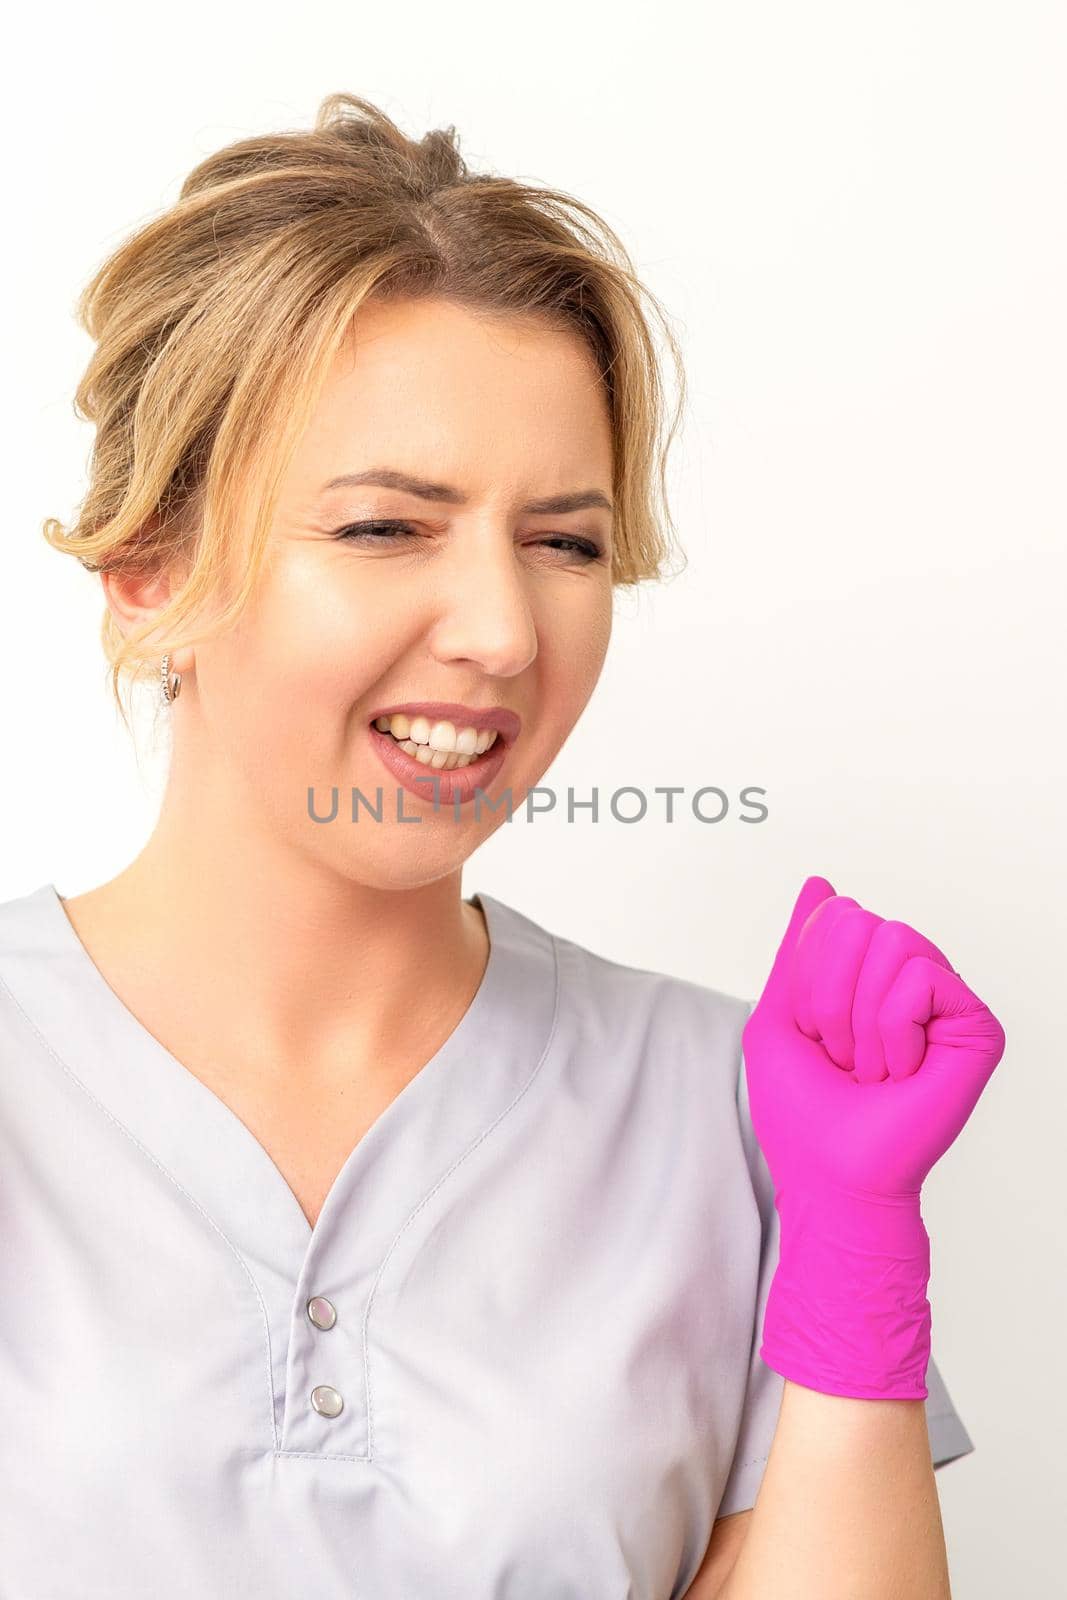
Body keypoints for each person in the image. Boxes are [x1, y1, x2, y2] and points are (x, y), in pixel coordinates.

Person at [0, 94, 1001, 1598]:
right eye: (388, 528)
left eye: (566, 542)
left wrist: (856, 1256)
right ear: (150, 571)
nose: (502, 631)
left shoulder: (737, 1118)